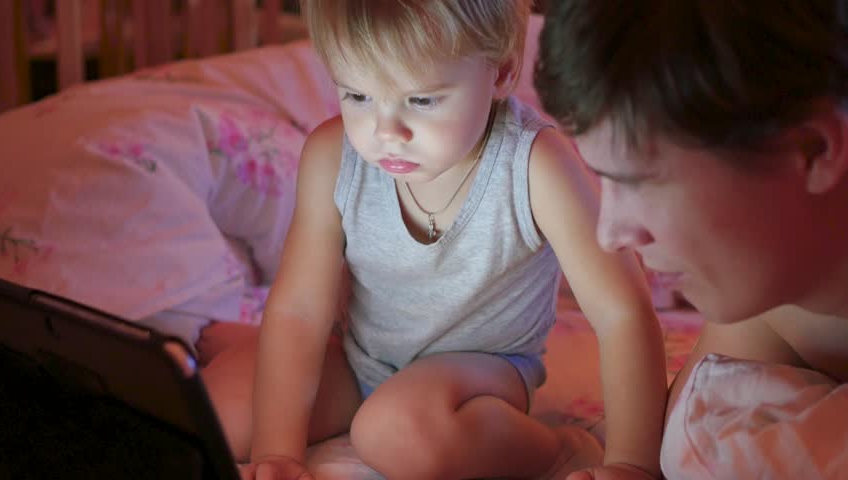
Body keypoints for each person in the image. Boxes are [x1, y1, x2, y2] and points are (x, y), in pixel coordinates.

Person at [204, 1, 668, 479]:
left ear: (502, 73)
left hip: (479, 373)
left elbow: (622, 312)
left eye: (422, 100)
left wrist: (633, 462)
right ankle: (233, 348)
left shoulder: (534, 165)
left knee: (393, 431)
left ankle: (557, 449)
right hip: (358, 357)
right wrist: (277, 455)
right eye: (357, 95)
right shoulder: (331, 157)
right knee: (214, 416)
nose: (387, 132)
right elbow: (300, 310)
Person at [535, 0, 848, 477]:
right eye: (604, 180)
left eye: (639, 181)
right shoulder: (770, 312)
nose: (611, 234)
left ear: (812, 151)